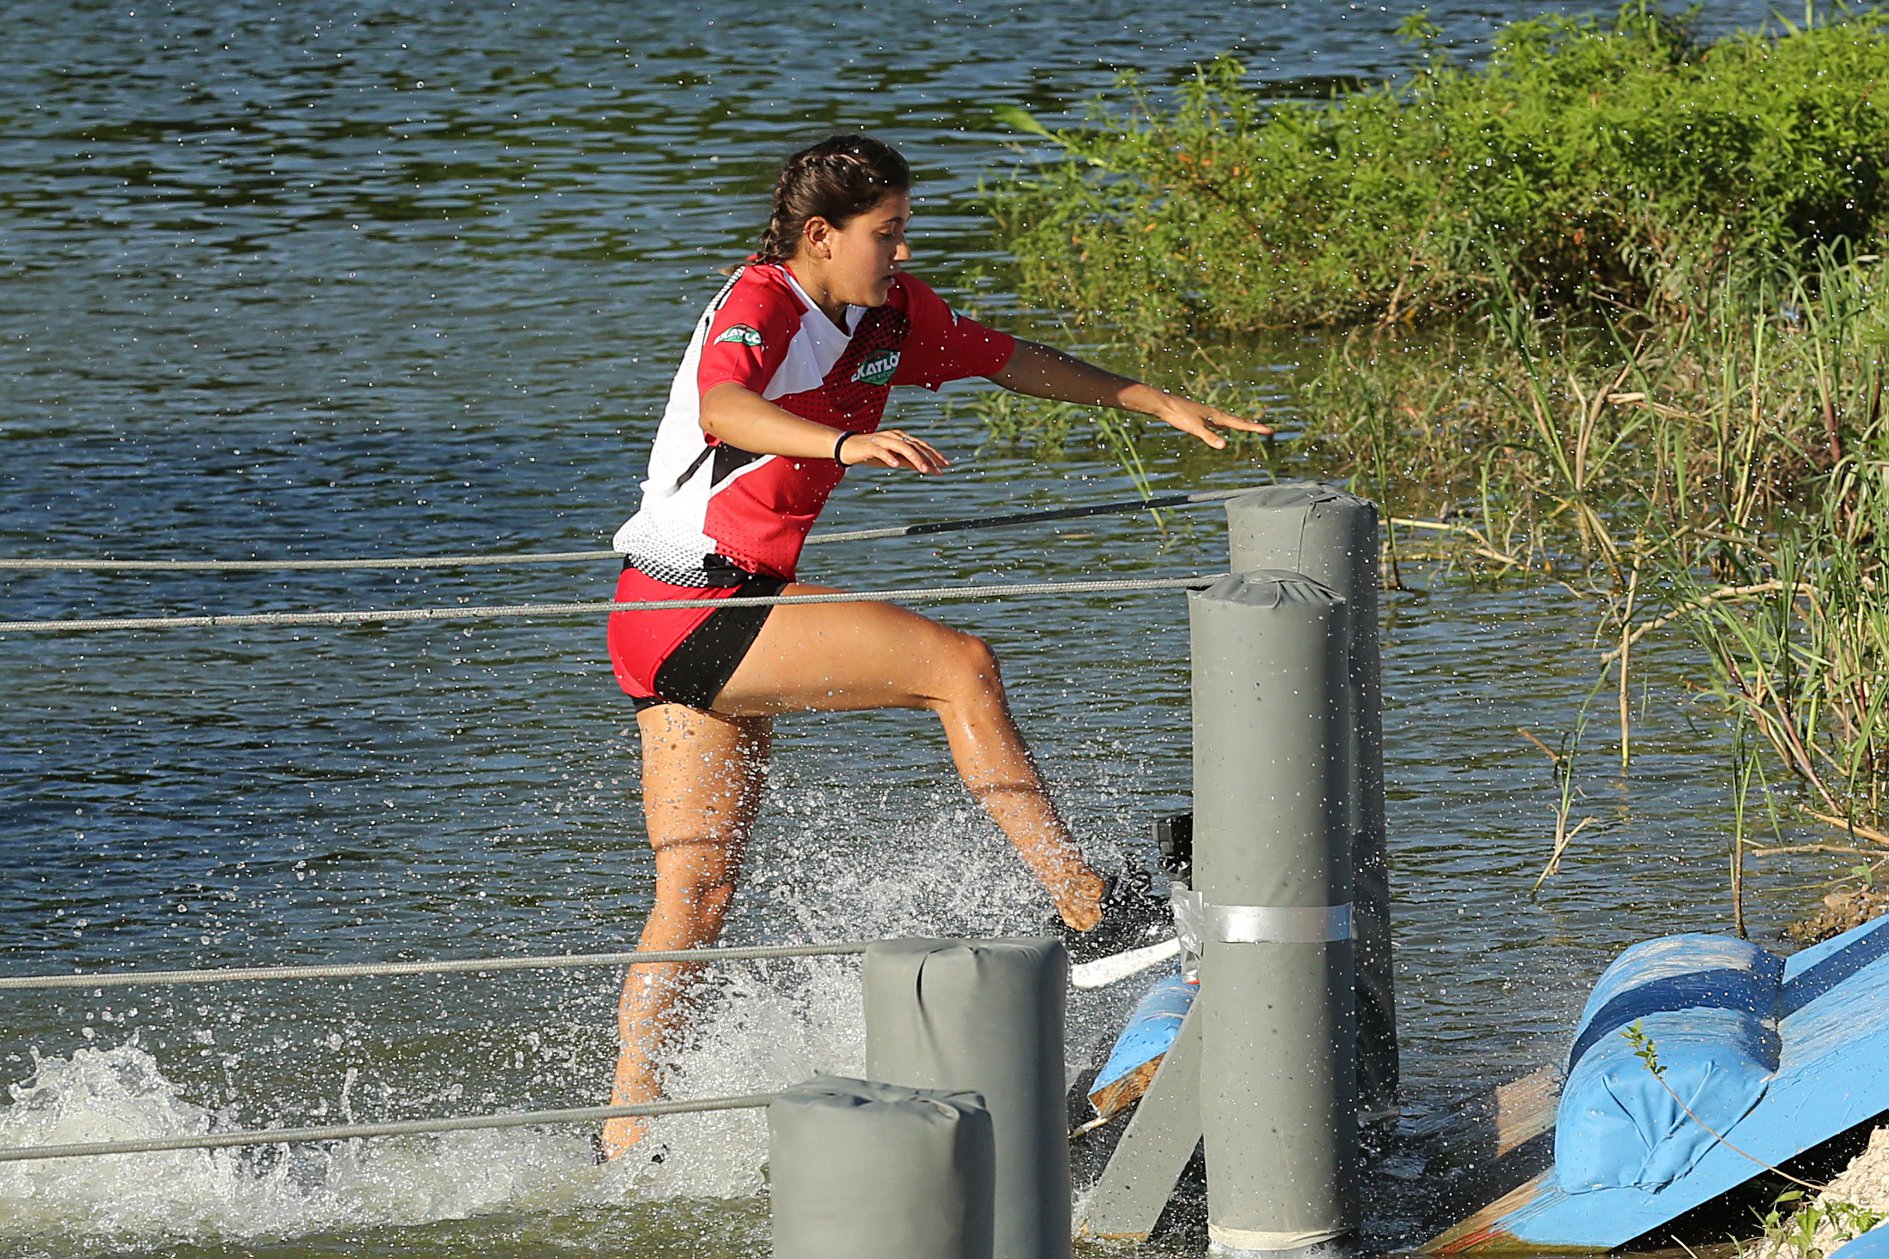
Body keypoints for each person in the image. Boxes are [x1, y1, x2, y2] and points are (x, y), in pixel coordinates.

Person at [600, 133, 1270, 1160]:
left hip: (703, 613)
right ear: (819, 236)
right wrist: (844, 441)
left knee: (697, 895)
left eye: (905, 229)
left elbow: (1010, 360)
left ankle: (623, 1134)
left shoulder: (891, 315)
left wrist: (1148, 399)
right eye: (887, 232)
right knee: (959, 667)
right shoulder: (762, 300)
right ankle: (1087, 910)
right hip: (686, 600)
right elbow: (724, 408)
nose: (903, 251)